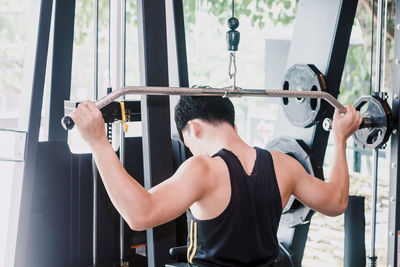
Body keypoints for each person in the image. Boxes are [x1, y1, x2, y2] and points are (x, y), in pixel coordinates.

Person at [70, 96, 362, 266]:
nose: (191, 150)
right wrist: (340, 138)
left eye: (187, 142)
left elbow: (140, 214)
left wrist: (98, 143)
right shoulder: (283, 165)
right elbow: (336, 202)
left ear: (194, 129)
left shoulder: (203, 169)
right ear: (233, 125)